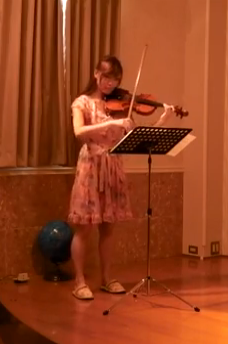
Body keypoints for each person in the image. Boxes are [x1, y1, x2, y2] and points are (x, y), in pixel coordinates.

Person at [68, 55, 175, 300]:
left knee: (108, 229)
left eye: (115, 80)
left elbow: (141, 137)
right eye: (106, 78)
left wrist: (164, 117)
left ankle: (107, 278)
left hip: (113, 166)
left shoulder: (120, 106)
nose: (110, 84)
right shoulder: (82, 103)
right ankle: (79, 281)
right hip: (91, 166)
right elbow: (79, 131)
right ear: (96, 74)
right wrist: (106, 126)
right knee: (84, 228)